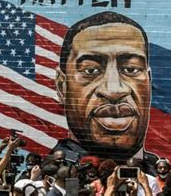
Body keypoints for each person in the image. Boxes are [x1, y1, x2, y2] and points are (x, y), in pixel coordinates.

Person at [53, 11, 158, 170]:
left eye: (131, 69)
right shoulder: (52, 172)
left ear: (149, 82)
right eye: (90, 71)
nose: (114, 90)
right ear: (62, 87)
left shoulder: (157, 172)